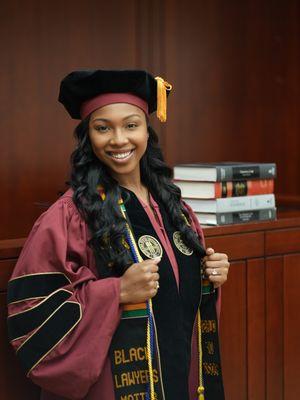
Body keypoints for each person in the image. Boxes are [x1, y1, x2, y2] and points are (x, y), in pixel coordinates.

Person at [7, 70, 230, 400]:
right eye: (102, 128)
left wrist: (209, 276)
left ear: (146, 131)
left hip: (178, 378)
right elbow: (33, 313)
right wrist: (117, 292)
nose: (119, 139)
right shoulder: (69, 216)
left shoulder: (173, 207)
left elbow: (180, 304)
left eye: (131, 125)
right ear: (88, 138)